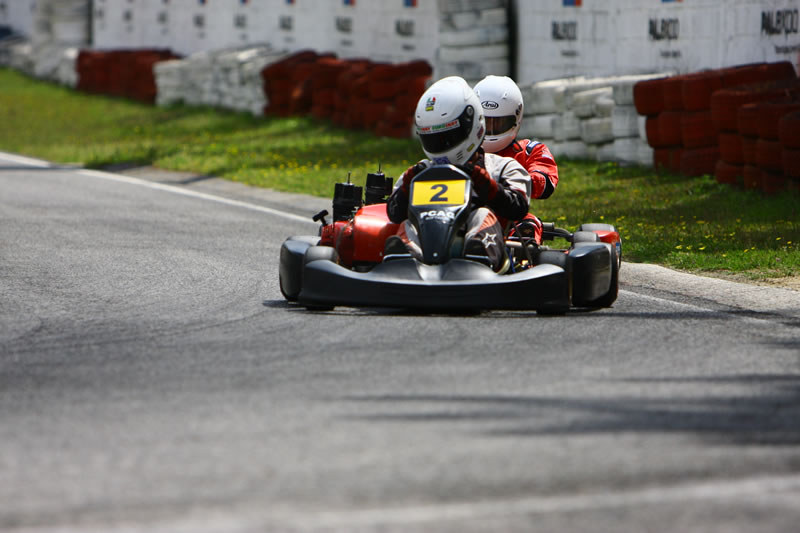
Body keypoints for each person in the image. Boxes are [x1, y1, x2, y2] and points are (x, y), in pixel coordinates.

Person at [386, 76, 532, 273]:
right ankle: (405, 259)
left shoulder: (502, 167)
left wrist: (486, 184)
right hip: (427, 241)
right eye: (434, 138)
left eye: (447, 138)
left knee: (481, 214)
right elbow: (393, 213)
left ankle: (478, 255)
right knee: (407, 223)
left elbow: (518, 208)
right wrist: (406, 188)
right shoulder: (420, 171)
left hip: (485, 255)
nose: (441, 144)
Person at [473, 75, 559, 244]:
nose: (490, 131)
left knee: (528, 223)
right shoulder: (463, 151)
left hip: (509, 216)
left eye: (497, 124)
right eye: (485, 123)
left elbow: (546, 182)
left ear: (515, 119)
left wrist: (519, 182)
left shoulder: (530, 151)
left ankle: (523, 260)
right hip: (467, 213)